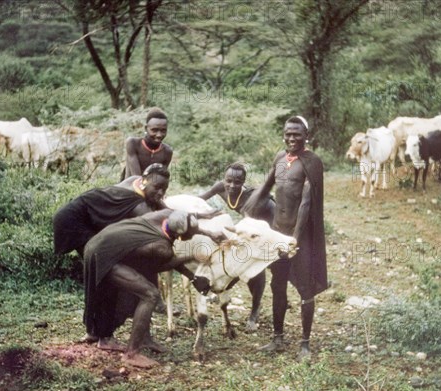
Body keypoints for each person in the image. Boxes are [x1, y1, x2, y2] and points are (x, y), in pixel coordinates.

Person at [83, 209, 224, 368]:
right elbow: (162, 264)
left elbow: (176, 249)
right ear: (181, 236)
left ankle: (137, 338)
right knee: (150, 295)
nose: (194, 235)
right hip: (103, 256)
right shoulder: (161, 248)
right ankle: (131, 354)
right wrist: (192, 256)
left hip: (98, 243)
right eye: (192, 234)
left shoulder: (162, 216)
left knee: (136, 292)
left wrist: (208, 232)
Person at [245, 115, 327, 361]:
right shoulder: (281, 159)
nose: (292, 138)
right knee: (277, 284)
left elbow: (306, 203)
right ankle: (277, 338)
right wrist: (246, 215)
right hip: (276, 233)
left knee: (304, 288)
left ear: (306, 136)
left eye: (297, 134)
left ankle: (304, 344)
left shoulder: (312, 163)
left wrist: (294, 240)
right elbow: (265, 188)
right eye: (288, 134)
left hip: (299, 237)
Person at [199, 162, 275, 329]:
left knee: (257, 268)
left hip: (270, 223)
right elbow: (199, 199)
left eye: (238, 182)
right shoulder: (220, 187)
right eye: (229, 180)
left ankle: (255, 311)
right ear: (224, 179)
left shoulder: (251, 197)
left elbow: (249, 224)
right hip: (251, 225)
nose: (232, 186)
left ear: (243, 182)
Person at [53, 163, 170, 258]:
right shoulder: (139, 207)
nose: (161, 193)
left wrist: (171, 211)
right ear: (144, 181)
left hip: (77, 213)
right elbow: (157, 227)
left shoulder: (135, 180)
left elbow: (156, 198)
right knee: (101, 262)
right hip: (72, 220)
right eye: (157, 187)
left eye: (164, 189)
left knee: (99, 260)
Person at [123, 107, 173, 180]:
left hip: (152, 190)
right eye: (154, 130)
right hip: (130, 188)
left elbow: (161, 178)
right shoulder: (133, 144)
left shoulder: (167, 151)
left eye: (163, 131)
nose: (159, 135)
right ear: (146, 128)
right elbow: (136, 178)